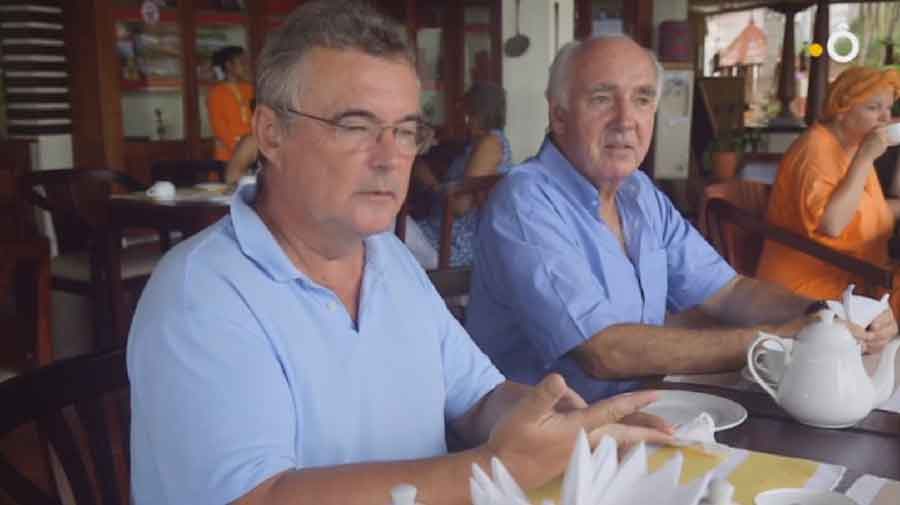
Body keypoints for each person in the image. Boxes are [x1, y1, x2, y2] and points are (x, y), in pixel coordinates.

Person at [128, 4, 674, 505]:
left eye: (406, 131)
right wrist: (495, 467)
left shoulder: (388, 257)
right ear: (271, 133)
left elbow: (479, 397)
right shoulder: (201, 293)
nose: (390, 158)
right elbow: (255, 497)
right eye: (356, 126)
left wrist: (557, 425)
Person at [465, 36, 898, 403]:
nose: (625, 120)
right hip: (544, 444)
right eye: (601, 99)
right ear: (558, 115)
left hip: (642, 412)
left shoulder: (639, 194)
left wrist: (823, 313)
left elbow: (730, 292)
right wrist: (782, 338)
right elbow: (605, 352)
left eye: (642, 99)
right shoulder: (526, 202)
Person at [756, 66, 900, 315]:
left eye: (888, 108)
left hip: (855, 277)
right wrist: (865, 158)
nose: (885, 118)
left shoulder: (851, 146)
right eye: (873, 108)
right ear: (841, 109)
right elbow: (832, 225)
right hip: (807, 287)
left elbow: (871, 209)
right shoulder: (815, 149)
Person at [415, 82, 513, 266]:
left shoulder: (491, 144)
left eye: (468, 112)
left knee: (384, 233)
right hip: (440, 232)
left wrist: (430, 182)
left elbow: (460, 206)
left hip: (453, 244)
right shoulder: (476, 143)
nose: (464, 119)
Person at [208, 45, 254, 163]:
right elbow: (219, 127)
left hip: (252, 151)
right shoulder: (217, 93)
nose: (246, 66)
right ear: (229, 66)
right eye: (242, 63)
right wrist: (239, 149)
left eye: (246, 62)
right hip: (228, 157)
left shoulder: (250, 89)